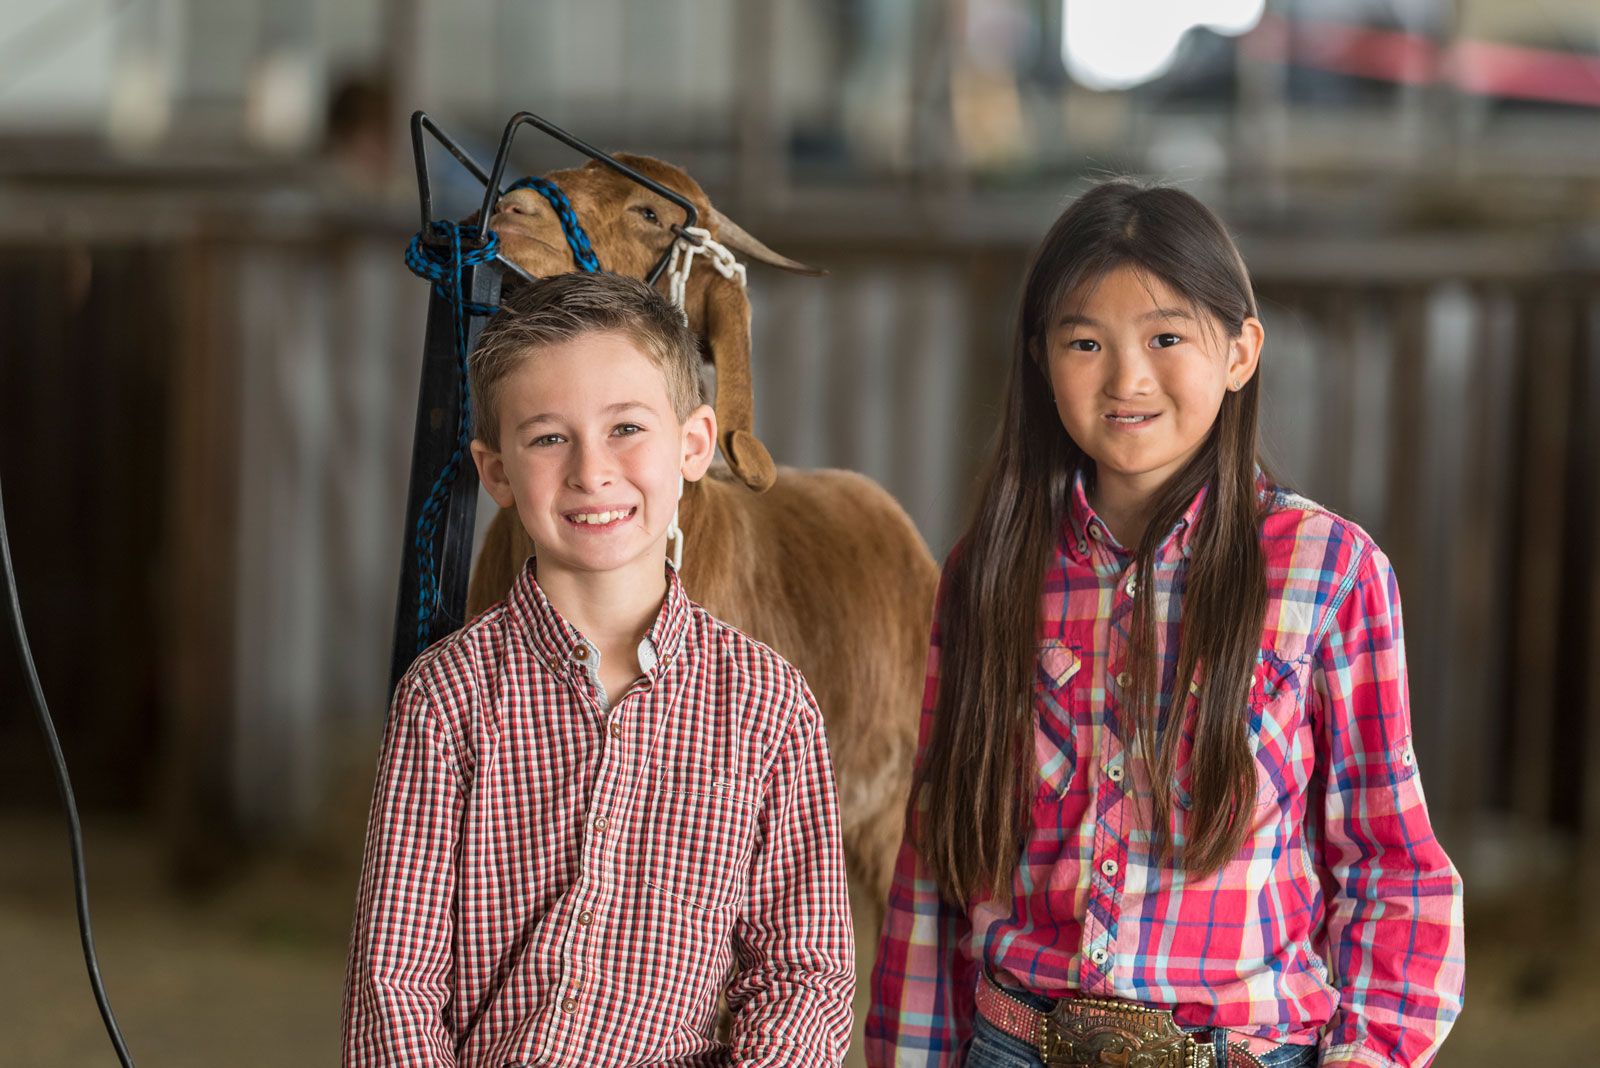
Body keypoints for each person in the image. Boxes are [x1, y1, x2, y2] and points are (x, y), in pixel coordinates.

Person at [866, 181, 1464, 1068]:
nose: (1127, 378)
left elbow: (1391, 863)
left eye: (1166, 337)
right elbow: (938, 856)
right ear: (1039, 358)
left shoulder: (1327, 574)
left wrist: (1366, 1056)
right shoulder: (987, 571)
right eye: (1084, 341)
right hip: (1014, 1046)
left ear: (1239, 351)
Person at [343, 271, 855, 1067]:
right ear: (498, 472)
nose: (591, 471)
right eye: (549, 437)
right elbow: (396, 983)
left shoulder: (767, 707)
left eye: (626, 429)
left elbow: (804, 977)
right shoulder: (445, 703)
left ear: (693, 445)